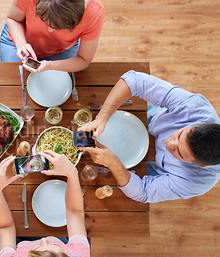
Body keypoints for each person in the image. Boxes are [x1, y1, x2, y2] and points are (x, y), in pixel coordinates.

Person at [80, 70, 220, 203]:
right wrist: (102, 118)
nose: (169, 144)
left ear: (200, 165)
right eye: (179, 135)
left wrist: (113, 164)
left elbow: (144, 192)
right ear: (199, 123)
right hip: (147, 119)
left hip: (146, 165)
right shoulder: (196, 108)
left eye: (180, 153)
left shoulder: (198, 183)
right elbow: (134, 80)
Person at [0, 153, 90, 257]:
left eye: (37, 249)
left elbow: (5, 228)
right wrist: (72, 173)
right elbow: (75, 211)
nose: (44, 239)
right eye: (55, 245)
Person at [0, 0, 104, 74]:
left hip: (60, 50)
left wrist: (51, 65)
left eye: (57, 28)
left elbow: (83, 59)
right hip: (16, 41)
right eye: (43, 20)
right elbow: (12, 19)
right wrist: (21, 44)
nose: (49, 30)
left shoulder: (94, 14)